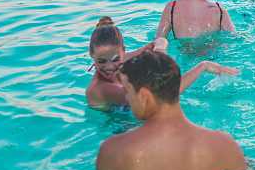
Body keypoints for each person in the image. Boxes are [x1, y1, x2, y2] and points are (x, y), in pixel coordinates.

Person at [96, 50, 247, 170]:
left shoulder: (112, 150)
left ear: (144, 96)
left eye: (127, 91)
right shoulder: (223, 144)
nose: (127, 98)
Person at [87, 16, 239, 111]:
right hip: (121, 135)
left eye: (115, 59)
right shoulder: (98, 89)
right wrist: (202, 66)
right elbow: (165, 94)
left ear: (123, 51)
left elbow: (158, 41)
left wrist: (159, 51)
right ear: (91, 54)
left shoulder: (122, 59)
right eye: (101, 61)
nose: (109, 67)